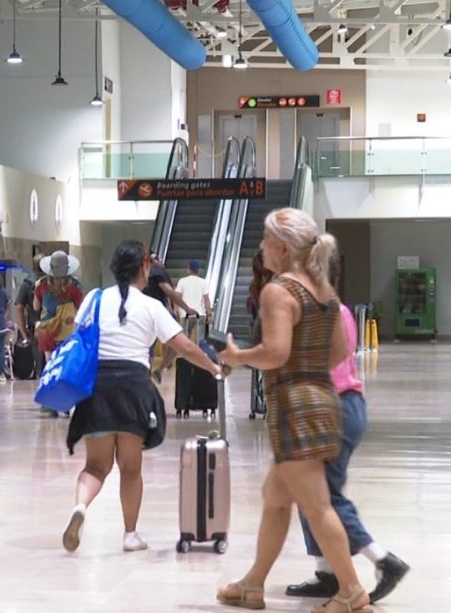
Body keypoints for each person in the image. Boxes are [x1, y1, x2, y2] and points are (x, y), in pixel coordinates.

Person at [217, 208, 371, 613]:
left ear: (283, 248)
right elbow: (339, 351)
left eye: (266, 241)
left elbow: (275, 352)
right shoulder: (324, 288)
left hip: (294, 408)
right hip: (323, 399)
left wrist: (237, 355)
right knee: (276, 495)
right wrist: (307, 364)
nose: (262, 248)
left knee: (318, 506)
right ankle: (253, 584)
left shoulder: (278, 290)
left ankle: (352, 592)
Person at [62, 240, 224, 554]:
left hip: (96, 385)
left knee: (96, 466)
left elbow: (77, 339)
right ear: (145, 268)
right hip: (133, 388)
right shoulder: (151, 305)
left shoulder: (93, 299)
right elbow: (184, 347)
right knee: (130, 468)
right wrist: (214, 367)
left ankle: (80, 507)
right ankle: (130, 534)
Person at [286, 253, 410, 604]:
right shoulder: (338, 309)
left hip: (332, 408)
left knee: (323, 497)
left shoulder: (320, 313)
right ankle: (326, 572)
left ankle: (382, 559)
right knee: (309, 492)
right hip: (346, 406)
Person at [143, 253, 196, 380]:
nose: (158, 260)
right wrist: (186, 308)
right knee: (178, 340)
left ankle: (150, 375)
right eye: (155, 258)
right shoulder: (157, 271)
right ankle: (158, 370)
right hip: (156, 313)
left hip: (150, 313)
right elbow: (169, 292)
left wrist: (174, 309)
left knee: (149, 347)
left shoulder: (146, 274)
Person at [33, 251, 84, 360]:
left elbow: (36, 307)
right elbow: (82, 309)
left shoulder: (41, 285)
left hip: (47, 330)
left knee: (50, 362)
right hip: (68, 329)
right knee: (66, 361)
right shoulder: (75, 286)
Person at [15, 253, 44, 372]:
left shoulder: (27, 284)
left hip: (35, 326)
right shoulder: (55, 282)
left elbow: (19, 307)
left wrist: (23, 331)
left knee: (39, 359)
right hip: (56, 326)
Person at [175, 259, 213, 340]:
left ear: (189, 268)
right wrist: (209, 314)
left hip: (184, 315)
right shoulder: (203, 282)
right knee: (199, 340)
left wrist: (176, 310)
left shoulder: (182, 281)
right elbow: (206, 299)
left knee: (184, 341)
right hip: (199, 315)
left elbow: (176, 297)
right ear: (198, 270)